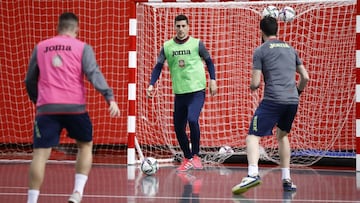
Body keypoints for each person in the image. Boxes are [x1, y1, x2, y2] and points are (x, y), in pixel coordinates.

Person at [24, 12, 120, 203]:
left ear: (58, 27)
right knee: (85, 146)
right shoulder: (82, 47)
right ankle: (77, 193)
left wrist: (39, 101)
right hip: (75, 107)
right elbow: (93, 74)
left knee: (40, 154)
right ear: (76, 28)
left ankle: (32, 200)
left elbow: (29, 80)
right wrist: (109, 97)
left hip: (47, 108)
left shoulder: (41, 47)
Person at [231, 16, 309, 195]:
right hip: (292, 102)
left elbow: (256, 83)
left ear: (261, 32)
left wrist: (251, 86)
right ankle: (287, 179)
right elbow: (305, 77)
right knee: (282, 136)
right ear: (277, 30)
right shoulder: (290, 49)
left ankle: (252, 174)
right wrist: (297, 93)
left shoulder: (261, 50)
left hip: (273, 100)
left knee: (252, 136)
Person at [146, 14, 217, 172]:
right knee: (178, 128)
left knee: (192, 120)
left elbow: (210, 61)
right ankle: (188, 158)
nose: (181, 29)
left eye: (184, 26)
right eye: (178, 26)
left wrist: (213, 80)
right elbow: (158, 66)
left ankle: (196, 155)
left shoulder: (197, 44)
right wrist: (151, 84)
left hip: (197, 91)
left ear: (188, 27)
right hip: (180, 94)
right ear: (174, 27)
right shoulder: (167, 46)